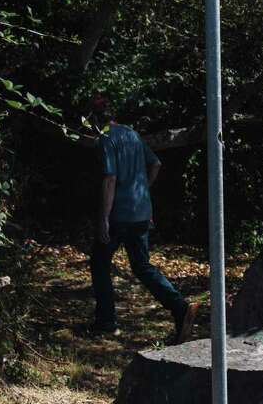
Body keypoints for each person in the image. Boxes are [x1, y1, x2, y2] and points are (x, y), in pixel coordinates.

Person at [88, 94, 197, 343]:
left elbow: (109, 179)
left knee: (99, 263)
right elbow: (155, 163)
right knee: (142, 266)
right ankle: (179, 307)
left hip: (119, 215)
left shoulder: (106, 139)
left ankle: (106, 322)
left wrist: (103, 218)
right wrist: (143, 193)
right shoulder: (132, 134)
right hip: (141, 213)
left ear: (95, 119)